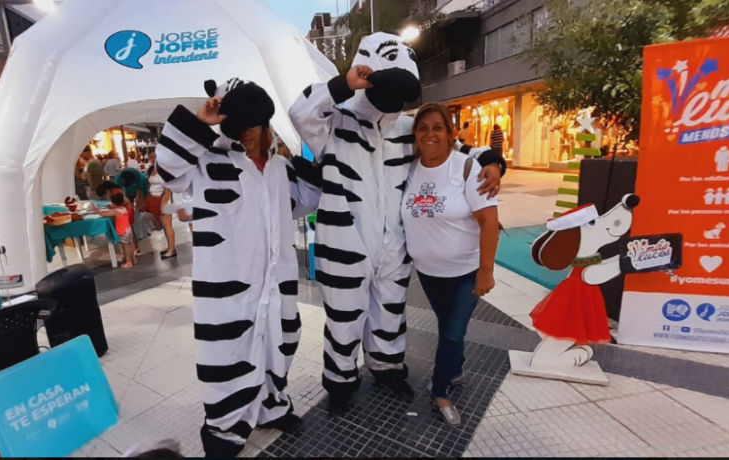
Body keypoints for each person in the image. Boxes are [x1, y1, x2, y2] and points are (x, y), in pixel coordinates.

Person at [288, 31, 507, 415]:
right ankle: (340, 381)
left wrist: (492, 161)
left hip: (394, 244)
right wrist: (345, 83)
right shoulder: (335, 123)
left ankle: (387, 367)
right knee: (344, 317)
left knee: (389, 310)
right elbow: (299, 112)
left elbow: (455, 147)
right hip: (346, 241)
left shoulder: (408, 129)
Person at [155, 77, 319, 458]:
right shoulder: (205, 162)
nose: (245, 133)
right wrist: (202, 120)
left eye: (253, 125)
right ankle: (224, 430)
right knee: (227, 356)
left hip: (276, 284)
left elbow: (306, 202)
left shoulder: (279, 169)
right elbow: (167, 169)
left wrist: (300, 160)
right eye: (238, 125)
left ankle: (272, 406)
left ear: (265, 126)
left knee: (278, 346)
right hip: (227, 291)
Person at [403, 103, 499, 426]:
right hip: (428, 273)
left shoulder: (468, 169)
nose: (430, 134)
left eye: (438, 127)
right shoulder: (409, 169)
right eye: (423, 127)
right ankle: (455, 370)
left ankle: (440, 390)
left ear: (450, 133)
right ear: (415, 134)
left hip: (466, 272)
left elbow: (489, 221)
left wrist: (486, 270)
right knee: (449, 327)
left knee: (452, 333)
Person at [144, 150, 177, 259]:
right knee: (163, 225)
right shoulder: (153, 168)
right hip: (154, 199)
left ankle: (171, 250)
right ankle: (170, 248)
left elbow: (169, 187)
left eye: (154, 156)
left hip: (164, 200)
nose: (152, 159)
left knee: (167, 225)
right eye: (151, 157)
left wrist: (164, 201)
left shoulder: (165, 169)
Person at [94, 193, 136, 268]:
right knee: (130, 243)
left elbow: (103, 215)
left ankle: (128, 262)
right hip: (128, 229)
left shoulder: (115, 211)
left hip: (123, 231)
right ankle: (133, 258)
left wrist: (97, 211)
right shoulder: (123, 208)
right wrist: (112, 207)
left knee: (125, 246)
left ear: (114, 203)